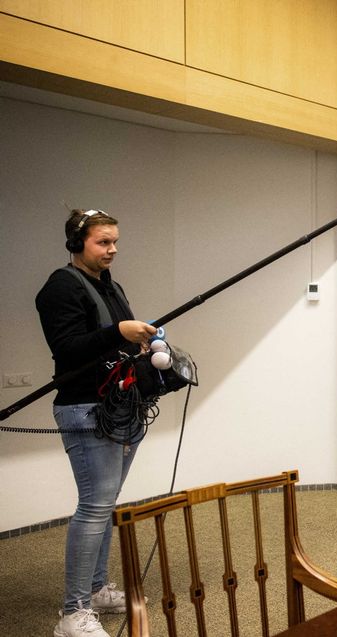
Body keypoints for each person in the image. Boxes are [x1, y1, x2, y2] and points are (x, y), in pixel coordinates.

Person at [36, 209, 156, 637]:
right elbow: (68, 348)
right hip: (85, 408)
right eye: (103, 242)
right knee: (94, 507)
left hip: (122, 405)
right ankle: (73, 613)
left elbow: (118, 341)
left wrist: (143, 344)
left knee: (106, 504)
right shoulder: (60, 287)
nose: (113, 250)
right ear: (76, 243)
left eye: (115, 242)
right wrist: (119, 331)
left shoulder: (111, 286)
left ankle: (97, 588)